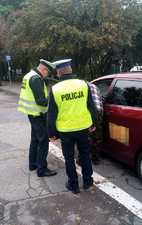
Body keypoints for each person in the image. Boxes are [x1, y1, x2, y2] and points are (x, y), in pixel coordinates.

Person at [47, 59, 98, 194]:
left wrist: (51, 133)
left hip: (65, 130)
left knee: (69, 158)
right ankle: (88, 180)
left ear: (58, 73)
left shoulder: (55, 89)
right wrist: (94, 123)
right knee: (85, 154)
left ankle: (73, 184)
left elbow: (51, 113)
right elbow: (91, 106)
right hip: (83, 128)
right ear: (71, 71)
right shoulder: (83, 85)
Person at [17, 59, 57, 177]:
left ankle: (33, 164)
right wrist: (53, 101)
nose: (47, 75)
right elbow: (41, 101)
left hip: (32, 113)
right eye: (48, 72)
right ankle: (42, 169)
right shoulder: (36, 79)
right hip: (38, 114)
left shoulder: (29, 75)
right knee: (43, 141)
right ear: (43, 69)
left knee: (35, 139)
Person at [77, 81, 103, 165]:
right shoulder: (95, 86)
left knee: (84, 136)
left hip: (88, 112)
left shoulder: (80, 87)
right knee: (97, 136)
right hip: (99, 111)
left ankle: (81, 160)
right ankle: (95, 159)